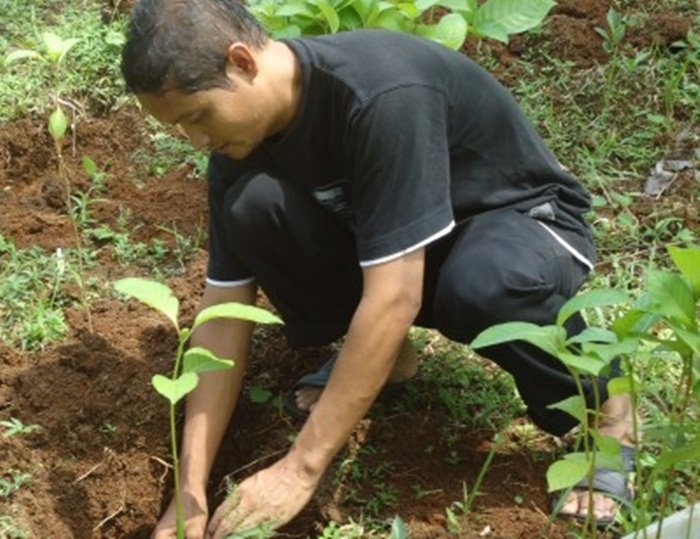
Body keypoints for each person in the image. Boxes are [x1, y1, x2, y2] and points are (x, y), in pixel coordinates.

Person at [121, 0, 637, 536]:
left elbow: (395, 297)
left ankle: (607, 416)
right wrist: (190, 491)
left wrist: (300, 469)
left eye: (199, 115)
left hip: (519, 224)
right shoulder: (235, 150)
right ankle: (390, 360)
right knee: (256, 208)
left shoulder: (380, 93)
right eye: (179, 127)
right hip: (402, 245)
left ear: (242, 61)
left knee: (484, 287)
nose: (197, 141)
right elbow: (223, 314)